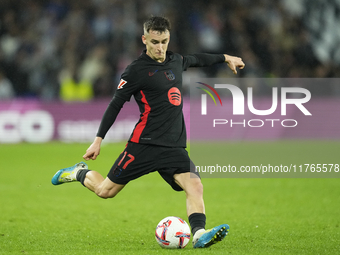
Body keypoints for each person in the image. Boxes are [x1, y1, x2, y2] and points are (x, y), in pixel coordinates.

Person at [52, 16, 245, 248]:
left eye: (164, 41)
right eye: (155, 42)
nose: (160, 47)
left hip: (174, 145)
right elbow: (115, 104)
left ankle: (198, 235)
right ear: (145, 39)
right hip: (143, 145)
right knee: (105, 191)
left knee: (195, 185)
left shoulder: (175, 60)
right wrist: (98, 140)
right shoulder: (135, 71)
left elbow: (198, 59)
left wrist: (226, 58)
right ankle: (78, 173)